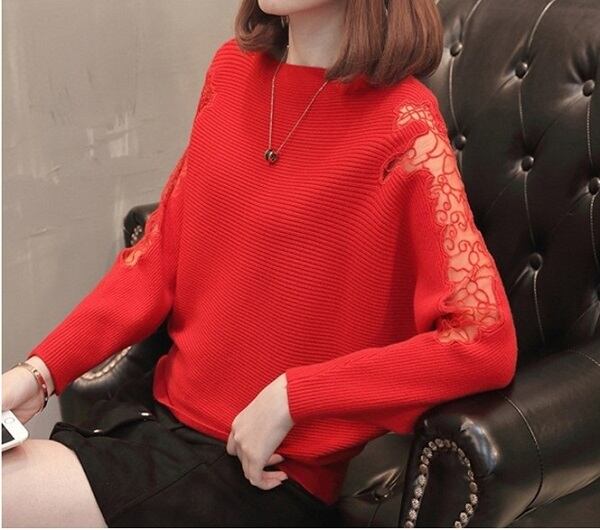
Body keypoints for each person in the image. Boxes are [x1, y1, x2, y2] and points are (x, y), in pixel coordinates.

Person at [2, 0, 519, 526]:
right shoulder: (230, 71)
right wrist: (38, 374)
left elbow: (484, 339)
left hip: (264, 476)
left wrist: (294, 396)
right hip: (151, 424)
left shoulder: (406, 124)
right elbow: (157, 257)